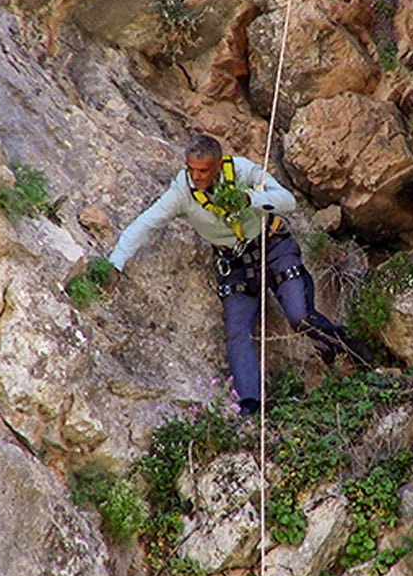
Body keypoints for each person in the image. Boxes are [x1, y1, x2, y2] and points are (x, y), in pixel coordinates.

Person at [106, 133, 373, 416]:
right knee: (237, 332)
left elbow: (287, 201)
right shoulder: (181, 192)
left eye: (203, 170)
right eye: (191, 169)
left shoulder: (243, 172)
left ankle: (348, 349)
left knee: (300, 315)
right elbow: (146, 223)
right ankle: (251, 405)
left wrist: (249, 199)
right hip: (234, 262)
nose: (196, 177)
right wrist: (116, 262)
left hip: (273, 246)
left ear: (219, 165)